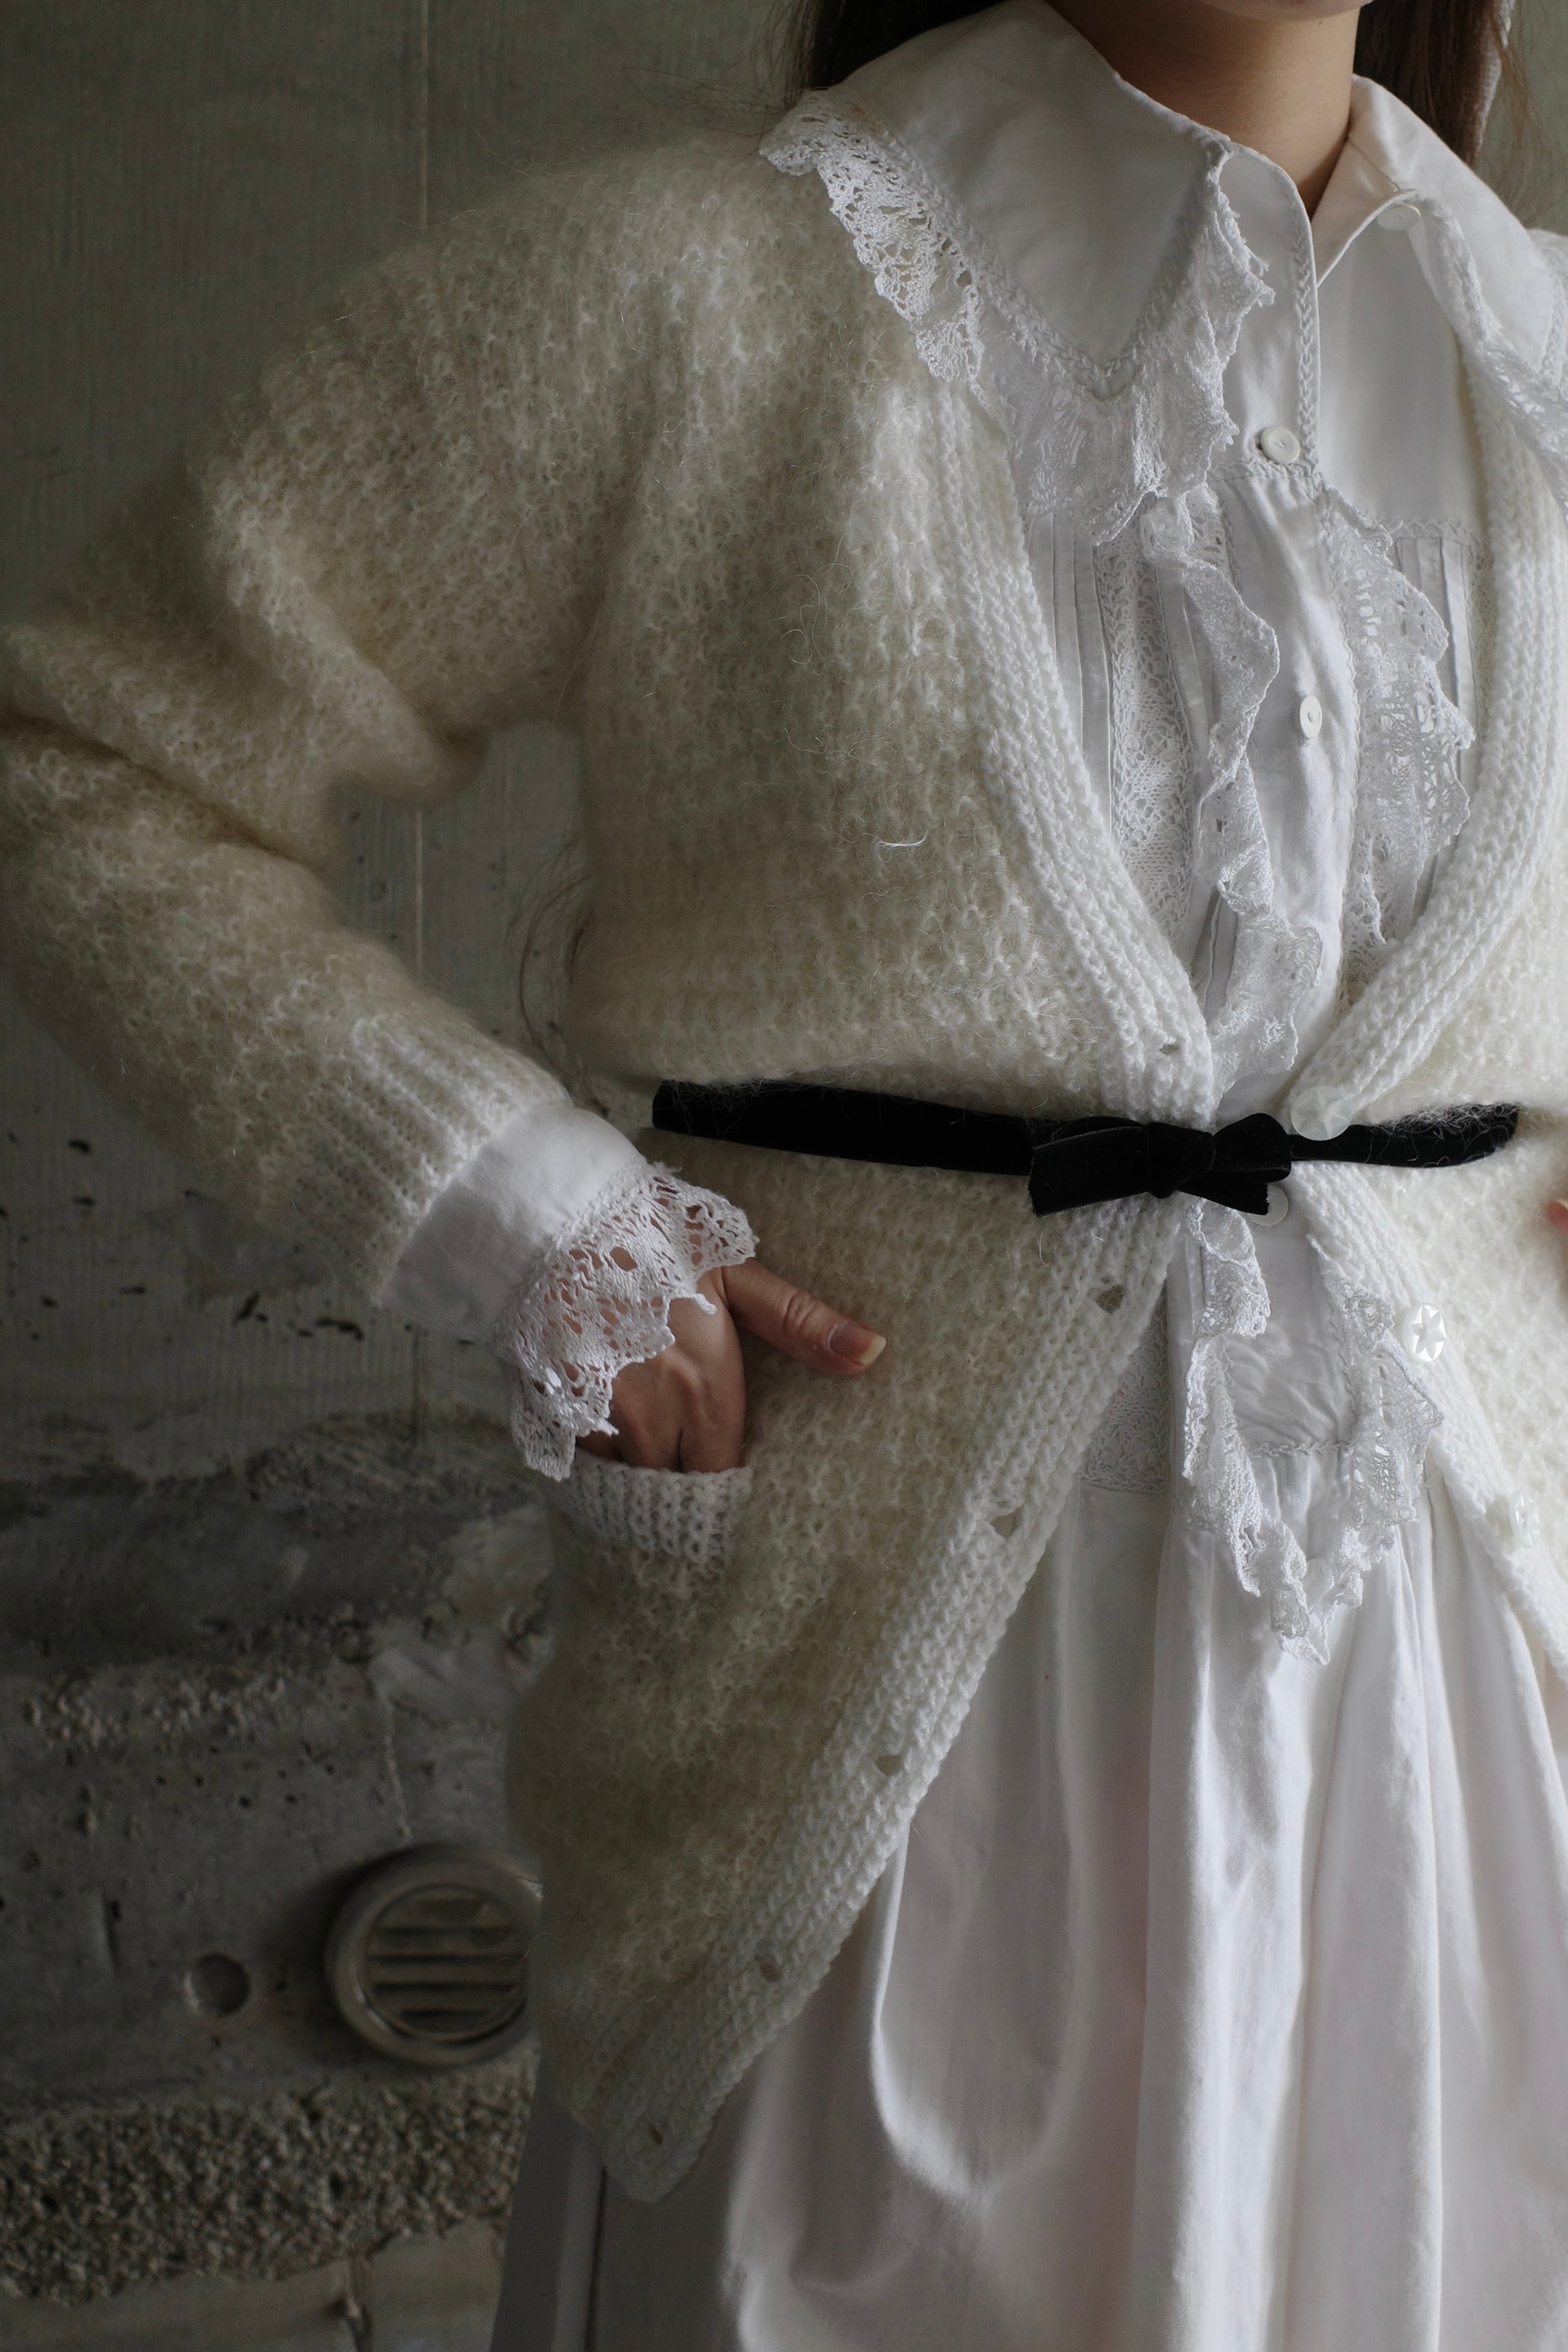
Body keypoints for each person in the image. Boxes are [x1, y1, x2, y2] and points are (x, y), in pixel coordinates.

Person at [5, 0, 1568, 2339]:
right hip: (888, 1807)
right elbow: (87, 756)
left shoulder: (1534, 353)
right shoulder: (688, 296)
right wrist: (524, 1216)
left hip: (1467, 1773)